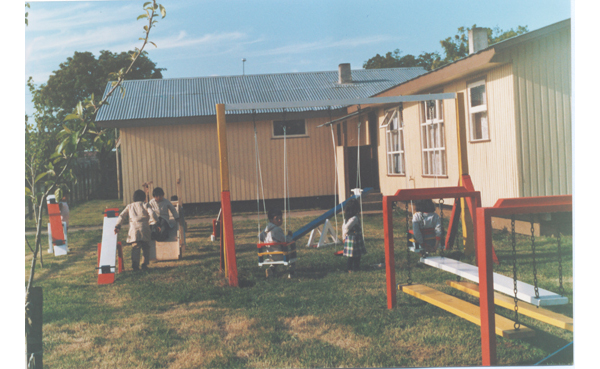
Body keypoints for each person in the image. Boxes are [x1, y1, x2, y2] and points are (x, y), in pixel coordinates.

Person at [114, 189, 154, 271]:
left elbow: (122, 216)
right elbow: (152, 213)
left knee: (136, 247)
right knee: (146, 247)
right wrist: (156, 222)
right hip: (145, 228)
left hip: (134, 229)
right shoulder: (146, 205)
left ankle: (135, 265)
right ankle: (144, 264)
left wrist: (118, 226)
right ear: (144, 198)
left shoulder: (130, 206)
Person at [259, 209, 293, 277]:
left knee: (275, 259)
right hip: (280, 254)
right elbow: (285, 240)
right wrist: (289, 236)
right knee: (291, 255)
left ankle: (271, 270)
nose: (279, 220)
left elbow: (260, 237)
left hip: (270, 255)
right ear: (271, 220)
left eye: (280, 218)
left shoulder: (265, 230)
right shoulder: (277, 230)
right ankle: (291, 272)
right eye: (276, 219)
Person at [342, 198, 366, 273]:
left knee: (352, 255)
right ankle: (353, 268)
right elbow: (346, 227)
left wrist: (344, 237)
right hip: (354, 238)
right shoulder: (354, 218)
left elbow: (343, 227)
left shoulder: (346, 218)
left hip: (350, 238)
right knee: (356, 255)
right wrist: (344, 236)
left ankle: (352, 268)